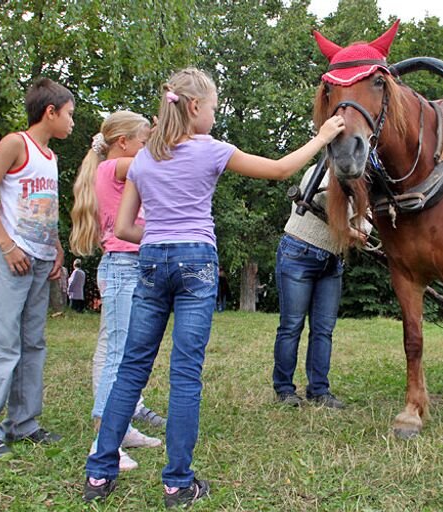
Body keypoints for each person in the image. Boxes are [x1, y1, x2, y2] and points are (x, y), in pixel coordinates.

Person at [83, 67, 344, 507]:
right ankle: (177, 482)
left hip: (150, 261)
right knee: (185, 372)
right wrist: (324, 135)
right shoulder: (211, 150)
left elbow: (125, 227)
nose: (215, 116)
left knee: (131, 368)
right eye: (215, 108)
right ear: (195, 107)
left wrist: (163, 237)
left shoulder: (144, 159)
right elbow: (281, 170)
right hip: (196, 263)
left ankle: (99, 474)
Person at [0, 77, 73, 461]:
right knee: (2, 342)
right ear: (50, 112)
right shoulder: (16, 144)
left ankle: (24, 423)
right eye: (69, 115)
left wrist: (57, 246)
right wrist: (7, 245)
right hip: (12, 257)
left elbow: (45, 205)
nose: (72, 123)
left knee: (33, 344)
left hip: (41, 259)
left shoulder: (51, 156)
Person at [70, 111, 164, 472]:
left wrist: (153, 135)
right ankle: (102, 440)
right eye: (141, 140)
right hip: (124, 267)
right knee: (118, 355)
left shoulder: (111, 168)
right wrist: (164, 134)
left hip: (130, 266)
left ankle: (120, 427)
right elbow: (154, 159)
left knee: (122, 349)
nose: (146, 146)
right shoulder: (114, 168)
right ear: (122, 143)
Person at [273, 165, 370, 409]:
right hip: (299, 252)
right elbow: (329, 204)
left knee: (323, 330)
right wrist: (350, 229)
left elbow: (365, 226)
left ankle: (319, 390)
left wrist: (355, 228)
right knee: (291, 326)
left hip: (332, 260)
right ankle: (284, 389)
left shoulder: (362, 183)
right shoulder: (321, 171)